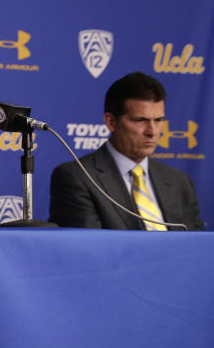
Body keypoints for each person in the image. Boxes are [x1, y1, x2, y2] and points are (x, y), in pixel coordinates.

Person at [49, 71, 203, 230]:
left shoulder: (179, 181)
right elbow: (89, 249)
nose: (152, 131)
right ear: (111, 122)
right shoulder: (78, 177)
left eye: (158, 120)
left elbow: (196, 247)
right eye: (140, 120)